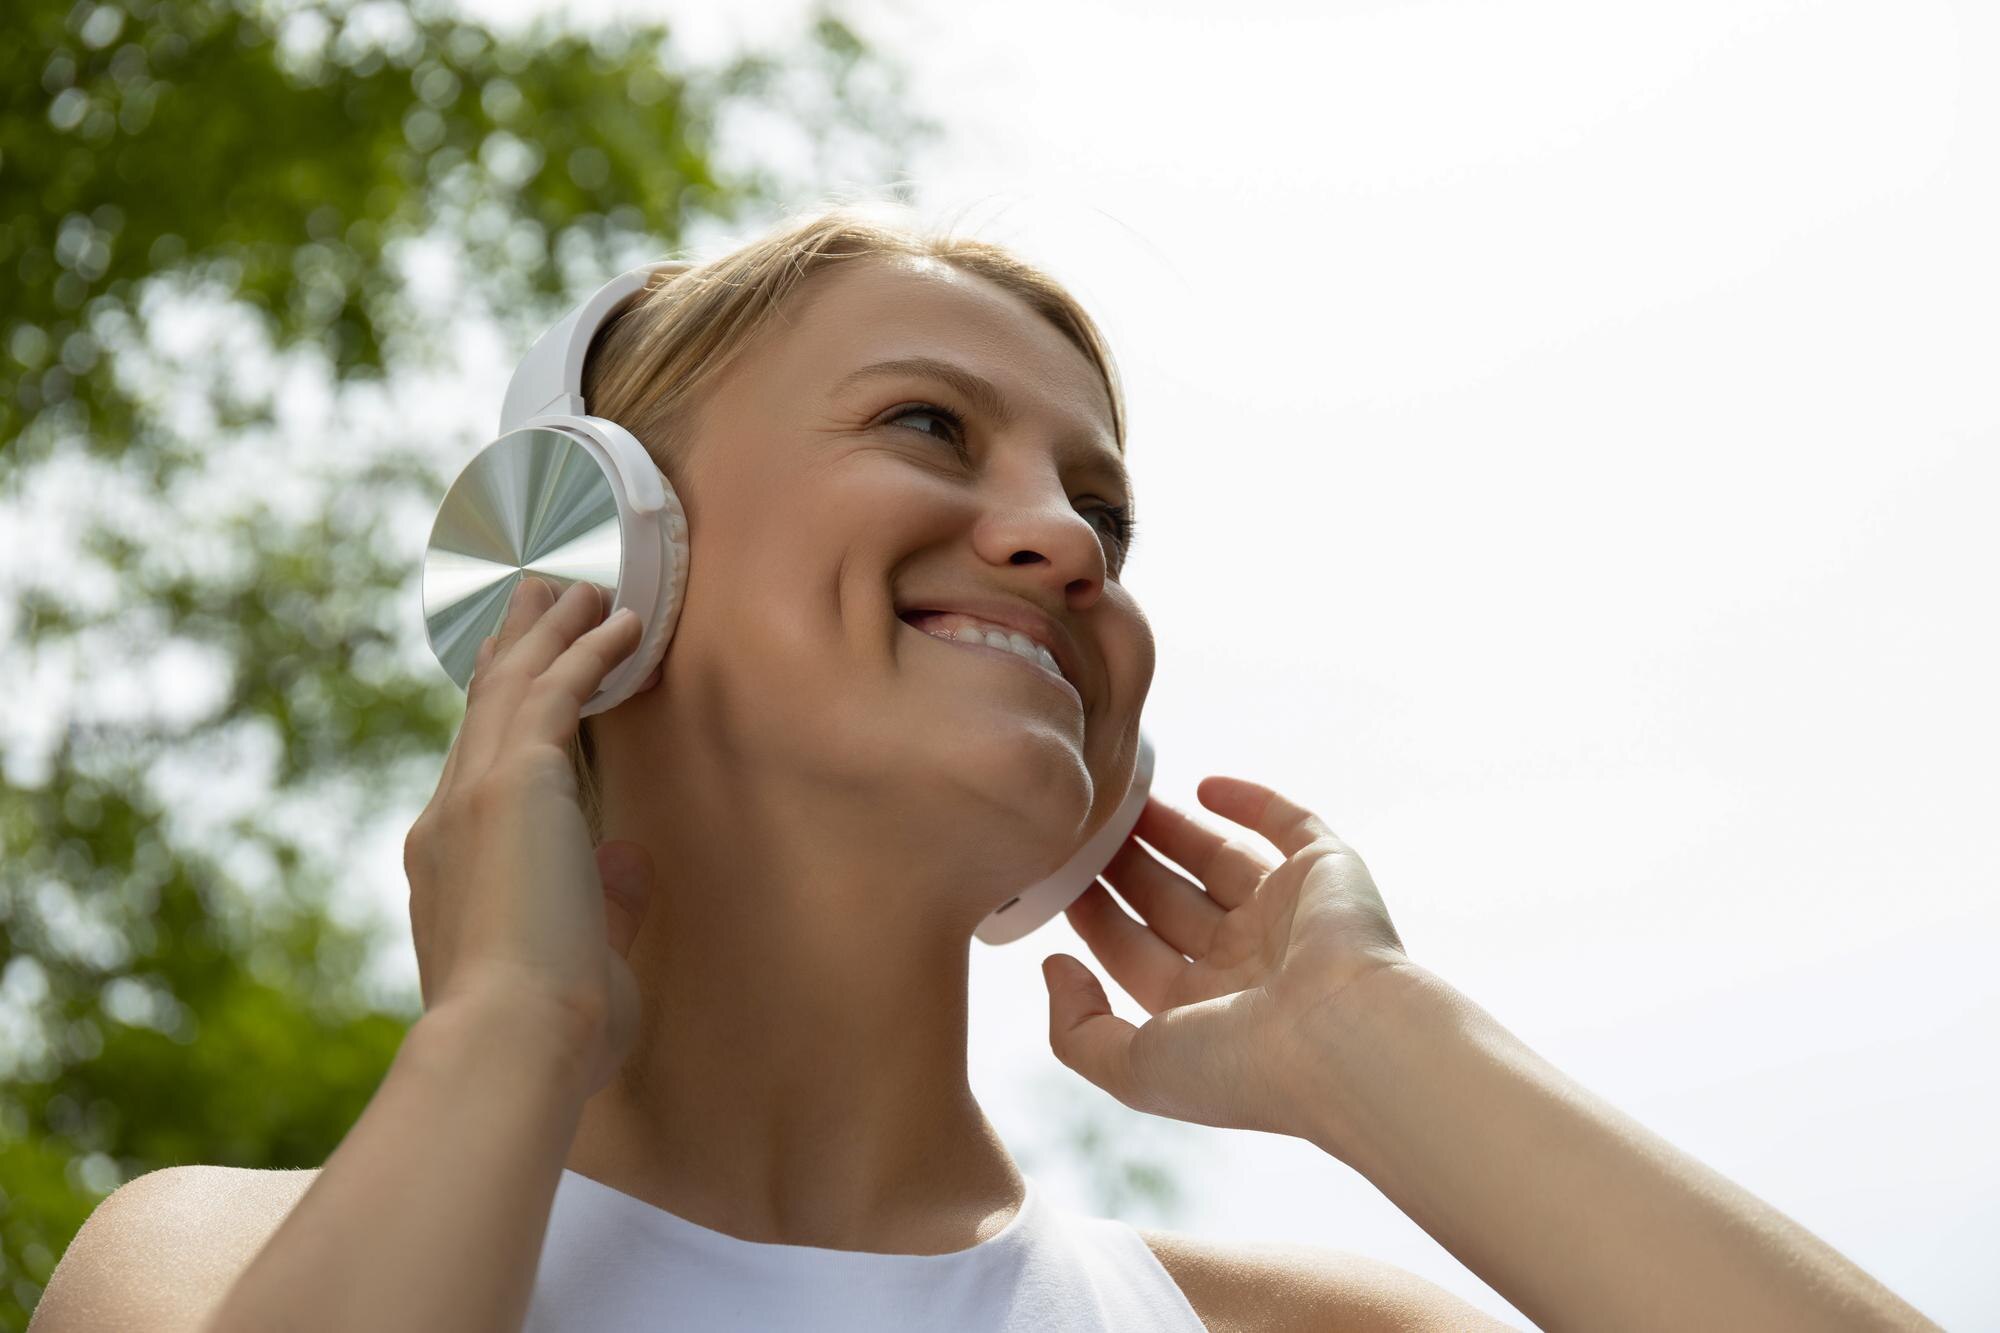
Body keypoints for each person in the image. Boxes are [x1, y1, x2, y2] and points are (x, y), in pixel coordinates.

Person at [28, 204, 1939, 1333]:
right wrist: (508, 1030)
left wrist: (1384, 1045)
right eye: (929, 426)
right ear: (593, 559)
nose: (1067, 540)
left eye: (1103, 506)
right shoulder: (210, 1263)